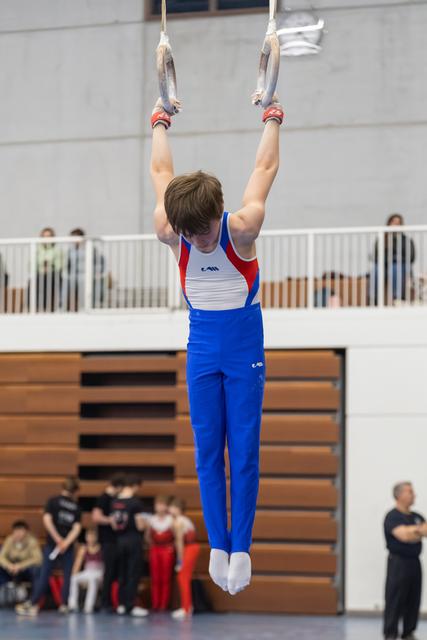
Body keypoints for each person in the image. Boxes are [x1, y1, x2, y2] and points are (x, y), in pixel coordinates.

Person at [150, 95, 283, 595]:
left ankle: (241, 545)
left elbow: (264, 166)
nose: (200, 241)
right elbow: (161, 170)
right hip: (201, 343)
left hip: (244, 342)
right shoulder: (173, 230)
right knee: (208, 449)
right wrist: (159, 120)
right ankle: (218, 544)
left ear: (219, 214)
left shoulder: (241, 230)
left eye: (204, 230)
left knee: (242, 448)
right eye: (190, 232)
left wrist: (272, 118)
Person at [16, 476, 82, 617]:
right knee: (67, 575)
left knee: (44, 574)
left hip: (53, 544)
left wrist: (57, 539)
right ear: (75, 490)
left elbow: (47, 520)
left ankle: (33, 603)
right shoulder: (76, 507)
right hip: (66, 546)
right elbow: (76, 528)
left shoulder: (53, 501)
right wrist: (65, 542)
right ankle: (64, 604)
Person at [383, 481, 427, 640]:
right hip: (398, 563)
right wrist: (417, 531)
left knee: (414, 598)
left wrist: (413, 531)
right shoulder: (392, 516)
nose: (413, 495)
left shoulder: (417, 516)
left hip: (415, 562)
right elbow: (403, 536)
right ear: (399, 495)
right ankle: (390, 633)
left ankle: (408, 632)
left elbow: (425, 530)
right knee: (395, 598)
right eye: (410, 492)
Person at [110, 475, 147, 617]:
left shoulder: (114, 502)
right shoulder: (135, 503)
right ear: (135, 486)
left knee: (122, 573)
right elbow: (139, 525)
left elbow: (114, 524)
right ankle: (130, 605)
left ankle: (120, 604)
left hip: (119, 541)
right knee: (133, 573)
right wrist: (146, 524)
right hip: (133, 540)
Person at [91, 473, 124, 611]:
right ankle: (105, 602)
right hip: (107, 540)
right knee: (108, 572)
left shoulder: (115, 499)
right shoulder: (104, 498)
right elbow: (96, 517)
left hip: (116, 540)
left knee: (115, 572)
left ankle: (113, 601)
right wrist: (109, 520)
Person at [372, 214, 416, 304]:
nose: (395, 225)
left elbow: (411, 256)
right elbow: (377, 256)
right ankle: (374, 298)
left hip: (401, 266)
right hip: (385, 265)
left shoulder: (406, 240)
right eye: (393, 222)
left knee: (395, 268)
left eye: (398, 223)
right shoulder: (382, 239)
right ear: (389, 224)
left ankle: (397, 298)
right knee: (376, 269)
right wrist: (389, 259)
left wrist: (397, 259)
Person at [169, 497, 200, 620]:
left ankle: (186, 608)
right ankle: (187, 606)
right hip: (191, 547)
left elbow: (179, 541)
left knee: (183, 577)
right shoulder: (183, 520)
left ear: (177, 509)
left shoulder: (179, 521)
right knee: (183, 577)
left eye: (171, 507)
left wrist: (179, 561)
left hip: (189, 548)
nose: (169, 510)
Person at [62, 228, 107, 311]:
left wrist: (97, 272)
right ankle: (62, 307)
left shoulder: (90, 248)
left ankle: (84, 308)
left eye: (75, 237)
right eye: (72, 238)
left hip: (87, 273)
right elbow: (67, 264)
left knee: (83, 281)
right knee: (65, 281)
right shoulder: (70, 250)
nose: (73, 240)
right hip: (73, 274)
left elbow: (100, 262)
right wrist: (66, 273)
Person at [147, 495, 175, 611]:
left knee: (165, 578)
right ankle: (155, 604)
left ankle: (164, 604)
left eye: (162, 504)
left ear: (166, 507)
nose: (160, 507)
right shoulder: (151, 520)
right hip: (155, 549)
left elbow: (176, 536)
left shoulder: (171, 520)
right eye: (158, 504)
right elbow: (147, 537)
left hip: (167, 550)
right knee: (155, 578)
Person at [68, 527, 104, 614]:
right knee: (74, 578)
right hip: (88, 571)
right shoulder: (83, 549)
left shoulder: (101, 548)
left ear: (96, 537)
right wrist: (74, 574)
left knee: (92, 580)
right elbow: (77, 564)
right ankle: (72, 605)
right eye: (88, 536)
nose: (90, 538)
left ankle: (88, 606)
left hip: (99, 572)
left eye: (92, 536)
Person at [0, 521, 42, 589]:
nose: (18, 534)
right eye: (16, 531)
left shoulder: (32, 541)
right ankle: (4, 591)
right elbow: (1, 557)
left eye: (21, 531)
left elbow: (38, 559)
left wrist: (20, 566)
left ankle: (32, 595)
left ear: (26, 531)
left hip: (26, 568)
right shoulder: (9, 540)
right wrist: (9, 566)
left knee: (36, 570)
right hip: (11, 567)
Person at [34, 227, 63, 312]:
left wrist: (50, 266)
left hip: (53, 273)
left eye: (49, 236)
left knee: (49, 280)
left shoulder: (57, 250)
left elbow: (59, 265)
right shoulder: (38, 250)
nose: (46, 238)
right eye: (44, 236)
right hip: (40, 273)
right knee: (35, 281)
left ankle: (51, 308)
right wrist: (42, 267)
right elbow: (32, 264)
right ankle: (36, 307)